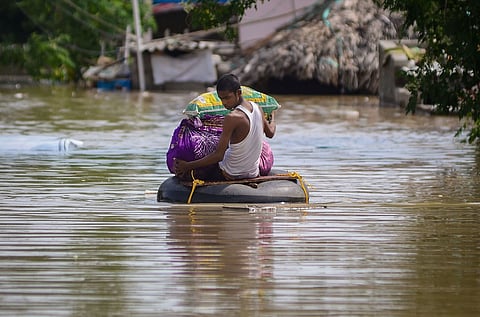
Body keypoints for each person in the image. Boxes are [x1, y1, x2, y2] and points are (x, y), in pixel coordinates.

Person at [175, 74, 276, 181]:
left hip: (230, 173)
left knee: (200, 160)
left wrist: (187, 166)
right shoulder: (258, 108)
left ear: (238, 93)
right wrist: (272, 116)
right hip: (252, 173)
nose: (224, 103)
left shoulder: (232, 117)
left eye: (227, 98)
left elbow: (218, 156)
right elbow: (271, 133)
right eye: (221, 99)